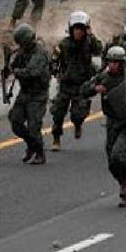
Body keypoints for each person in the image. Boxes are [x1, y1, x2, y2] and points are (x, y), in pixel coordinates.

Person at [81, 46, 126, 205]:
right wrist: (94, 88)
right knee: (112, 163)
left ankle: (125, 187)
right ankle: (124, 180)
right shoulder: (103, 77)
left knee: (117, 154)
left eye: (116, 62)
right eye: (110, 61)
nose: (112, 65)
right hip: (112, 122)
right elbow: (83, 89)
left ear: (122, 63)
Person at [50, 11, 102, 151]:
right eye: (76, 29)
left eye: (81, 29)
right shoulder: (64, 44)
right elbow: (54, 60)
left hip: (82, 85)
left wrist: (91, 35)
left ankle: (77, 124)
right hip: (66, 84)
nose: (78, 32)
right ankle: (56, 138)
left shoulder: (90, 43)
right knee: (58, 113)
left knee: (78, 114)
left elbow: (99, 50)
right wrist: (55, 71)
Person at [7, 23, 50, 165]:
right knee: (15, 121)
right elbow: (14, 64)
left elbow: (32, 72)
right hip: (25, 93)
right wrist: (10, 64)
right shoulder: (22, 52)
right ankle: (31, 144)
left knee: (33, 126)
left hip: (38, 95)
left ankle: (40, 153)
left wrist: (16, 71)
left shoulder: (40, 53)